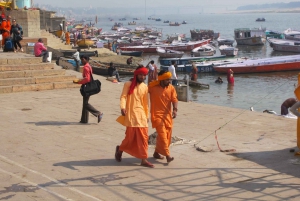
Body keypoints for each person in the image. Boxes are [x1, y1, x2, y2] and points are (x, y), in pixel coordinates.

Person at [115, 66, 154, 168]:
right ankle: (120, 150)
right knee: (129, 138)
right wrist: (122, 107)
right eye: (141, 75)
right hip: (131, 115)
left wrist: (147, 115)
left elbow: (146, 103)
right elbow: (123, 97)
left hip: (141, 116)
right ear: (136, 74)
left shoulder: (145, 87)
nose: (142, 77)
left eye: (144, 75)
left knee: (144, 138)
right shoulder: (128, 84)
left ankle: (144, 160)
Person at [148, 70, 178, 163]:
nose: (169, 81)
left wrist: (175, 110)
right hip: (156, 115)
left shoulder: (171, 88)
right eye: (167, 80)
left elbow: (174, 99)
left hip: (168, 116)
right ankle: (168, 155)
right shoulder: (152, 87)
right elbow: (141, 91)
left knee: (167, 136)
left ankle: (156, 152)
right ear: (161, 80)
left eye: (169, 79)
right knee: (163, 135)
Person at [73, 55, 103, 124]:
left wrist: (78, 82)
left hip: (87, 87)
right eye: (81, 59)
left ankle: (98, 113)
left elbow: (87, 78)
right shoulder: (88, 66)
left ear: (86, 59)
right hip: (89, 86)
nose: (82, 61)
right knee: (85, 103)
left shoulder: (86, 67)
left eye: (83, 59)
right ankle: (84, 119)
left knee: (86, 104)